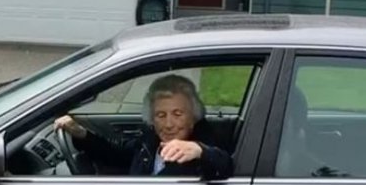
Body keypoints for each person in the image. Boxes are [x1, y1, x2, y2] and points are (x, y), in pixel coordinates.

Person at [53, 74, 233, 179]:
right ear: (152, 119)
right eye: (161, 115)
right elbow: (117, 154)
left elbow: (226, 166)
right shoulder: (150, 140)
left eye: (177, 114)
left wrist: (200, 151)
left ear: (193, 117)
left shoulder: (202, 146)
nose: (169, 124)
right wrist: (81, 134)